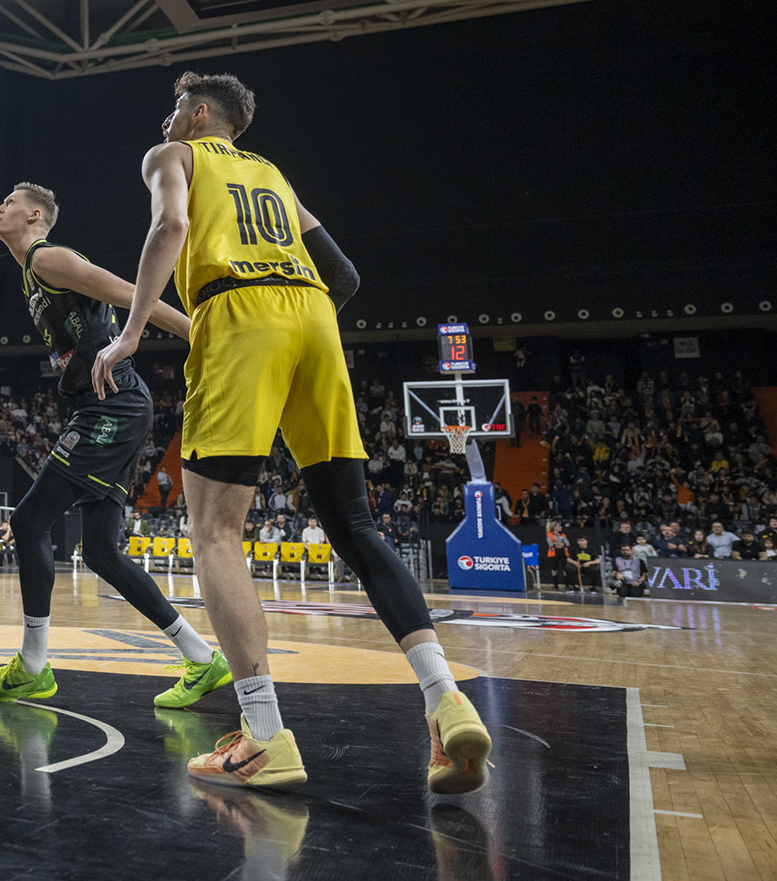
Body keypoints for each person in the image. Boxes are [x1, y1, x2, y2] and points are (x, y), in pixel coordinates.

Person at [91, 71, 490, 793]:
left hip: (240, 317)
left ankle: (265, 734)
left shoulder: (172, 159)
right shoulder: (272, 174)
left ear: (199, 112)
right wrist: (293, 312)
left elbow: (171, 228)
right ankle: (445, 698)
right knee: (355, 522)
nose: (164, 120)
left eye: (174, 108)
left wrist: (128, 335)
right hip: (315, 319)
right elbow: (344, 274)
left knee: (214, 532)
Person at [0, 184, 228, 709]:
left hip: (113, 406)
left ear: (35, 214)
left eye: (9, 203)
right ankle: (202, 659)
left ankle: (34, 667)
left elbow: (135, 293)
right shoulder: (31, 273)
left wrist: (202, 334)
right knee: (104, 552)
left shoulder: (48, 258)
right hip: (107, 404)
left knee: (28, 521)